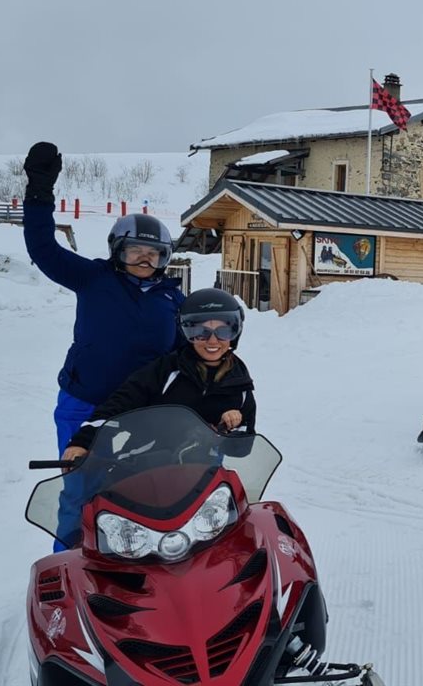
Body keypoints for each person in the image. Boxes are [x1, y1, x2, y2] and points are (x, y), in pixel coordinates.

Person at [21, 143, 186, 538]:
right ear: (117, 251)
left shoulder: (173, 300)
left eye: (155, 255)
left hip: (144, 413)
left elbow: (193, 355)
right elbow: (43, 248)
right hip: (84, 405)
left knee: (147, 494)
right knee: (79, 492)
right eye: (136, 253)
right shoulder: (94, 279)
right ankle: (70, 567)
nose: (146, 261)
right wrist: (40, 190)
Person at [55, 288, 255, 547]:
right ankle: (70, 555)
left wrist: (232, 428)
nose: (212, 339)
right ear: (185, 332)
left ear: (235, 332)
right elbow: (118, 404)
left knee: (217, 539)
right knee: (88, 508)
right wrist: (82, 441)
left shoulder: (239, 383)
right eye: (200, 331)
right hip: (142, 466)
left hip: (201, 480)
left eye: (224, 330)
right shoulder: (165, 370)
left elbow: (245, 446)